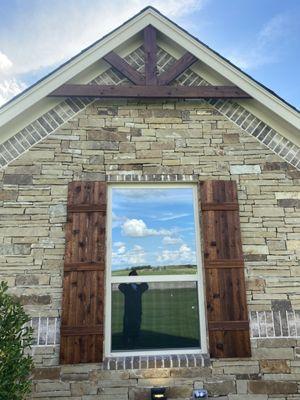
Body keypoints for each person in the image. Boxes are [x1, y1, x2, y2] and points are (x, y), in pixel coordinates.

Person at [118, 270, 148, 348]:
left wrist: (139, 279)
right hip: (128, 312)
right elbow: (120, 286)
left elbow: (146, 285)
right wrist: (127, 280)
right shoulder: (126, 288)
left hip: (137, 312)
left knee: (136, 327)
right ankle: (125, 343)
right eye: (133, 276)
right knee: (127, 328)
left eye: (135, 276)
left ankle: (135, 342)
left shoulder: (139, 288)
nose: (134, 278)